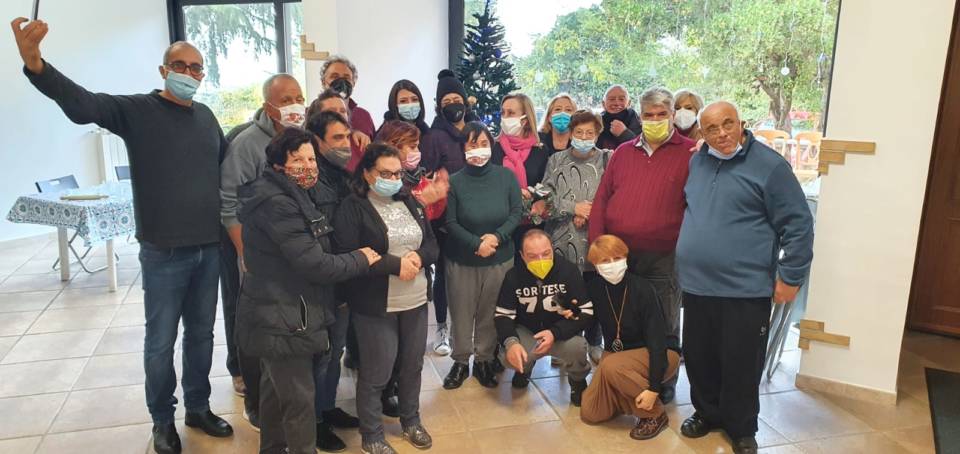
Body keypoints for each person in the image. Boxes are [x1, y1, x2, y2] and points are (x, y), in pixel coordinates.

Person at [12, 18, 231, 453]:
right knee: (160, 341)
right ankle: (162, 420)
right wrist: (36, 65)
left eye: (196, 68)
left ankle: (198, 407)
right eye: (180, 66)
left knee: (202, 335)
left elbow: (226, 166)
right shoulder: (137, 111)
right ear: (163, 70)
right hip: (164, 251)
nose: (189, 73)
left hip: (208, 247)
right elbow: (83, 105)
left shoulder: (206, 117)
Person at [676, 101, 814, 454]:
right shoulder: (698, 161)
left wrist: (791, 276)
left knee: (741, 361)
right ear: (702, 133)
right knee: (700, 356)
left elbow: (798, 224)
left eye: (728, 124)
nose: (722, 133)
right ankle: (707, 413)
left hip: (745, 287)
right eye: (712, 128)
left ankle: (741, 427)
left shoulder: (770, 167)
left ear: (741, 123)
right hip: (697, 285)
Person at [235, 128, 379, 454]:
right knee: (299, 401)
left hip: (279, 310)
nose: (308, 166)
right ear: (278, 165)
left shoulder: (293, 194)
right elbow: (315, 263)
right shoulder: (278, 204)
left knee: (274, 393)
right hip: (285, 315)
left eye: (311, 159)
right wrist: (360, 259)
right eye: (297, 160)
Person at [589, 87, 695, 403]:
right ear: (641, 116)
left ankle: (664, 379)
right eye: (649, 115)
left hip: (664, 255)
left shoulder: (690, 153)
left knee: (664, 318)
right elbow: (602, 198)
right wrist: (597, 244)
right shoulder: (623, 152)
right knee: (621, 316)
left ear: (672, 115)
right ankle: (625, 374)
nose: (655, 120)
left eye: (662, 114)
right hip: (619, 254)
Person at [333, 143, 439, 454]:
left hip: (415, 300)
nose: (393, 179)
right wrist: (395, 265)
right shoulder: (353, 207)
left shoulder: (410, 201)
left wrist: (419, 258)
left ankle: (411, 421)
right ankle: (372, 436)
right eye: (385, 173)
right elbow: (350, 254)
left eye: (397, 173)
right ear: (367, 173)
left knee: (412, 366)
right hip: (376, 304)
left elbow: (432, 243)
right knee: (377, 372)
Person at [220, 73, 305, 429]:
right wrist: (246, 254)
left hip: (291, 251)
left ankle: (285, 395)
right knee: (256, 323)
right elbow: (228, 203)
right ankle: (254, 398)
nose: (295, 106)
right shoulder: (247, 144)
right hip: (256, 251)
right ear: (269, 106)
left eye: (299, 98)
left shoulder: (302, 139)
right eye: (286, 101)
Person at [442, 122, 523, 389]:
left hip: (500, 257)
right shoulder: (454, 182)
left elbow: (516, 213)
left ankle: (484, 360)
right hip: (463, 258)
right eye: (472, 144)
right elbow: (450, 222)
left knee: (490, 311)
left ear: (492, 145)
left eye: (484, 143)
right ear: (463, 148)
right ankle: (460, 361)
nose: (479, 149)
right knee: (462, 311)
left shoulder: (506, 177)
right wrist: (476, 243)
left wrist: (497, 237)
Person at [578, 235, 681, 441]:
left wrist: (654, 389)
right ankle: (629, 395)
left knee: (610, 365)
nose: (612, 265)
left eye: (617, 258)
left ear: (625, 258)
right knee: (591, 412)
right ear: (595, 266)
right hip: (618, 357)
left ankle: (655, 414)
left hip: (660, 354)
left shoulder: (643, 289)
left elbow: (657, 342)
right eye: (605, 261)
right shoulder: (595, 288)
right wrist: (571, 312)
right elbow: (586, 320)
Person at [534, 110, 612, 364]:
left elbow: (615, 195)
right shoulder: (556, 160)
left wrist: (589, 213)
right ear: (571, 133)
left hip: (595, 241)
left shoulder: (608, 159)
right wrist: (573, 208)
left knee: (595, 294)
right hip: (562, 240)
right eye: (579, 132)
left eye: (590, 133)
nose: (584, 137)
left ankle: (594, 342)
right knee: (564, 294)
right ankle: (564, 342)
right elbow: (544, 199)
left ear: (598, 134)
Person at [377, 121, 452, 357]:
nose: (416, 152)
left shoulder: (420, 178)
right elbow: (385, 221)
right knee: (385, 350)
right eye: (410, 146)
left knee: (411, 350)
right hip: (385, 276)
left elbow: (430, 225)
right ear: (391, 146)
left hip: (416, 271)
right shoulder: (379, 183)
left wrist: (438, 197)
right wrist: (421, 201)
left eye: (417, 146)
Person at [495, 230, 594, 404]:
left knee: (578, 348)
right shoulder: (513, 276)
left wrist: (555, 332)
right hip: (528, 332)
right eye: (532, 256)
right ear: (522, 256)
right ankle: (524, 368)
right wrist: (511, 343)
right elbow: (503, 315)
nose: (540, 260)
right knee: (507, 355)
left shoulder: (569, 271)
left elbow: (586, 312)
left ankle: (577, 380)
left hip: (561, 333)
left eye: (546, 254)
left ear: (552, 249)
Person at [421, 69, 474, 357]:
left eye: (457, 99)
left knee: (469, 274)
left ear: (465, 101)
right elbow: (425, 175)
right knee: (443, 273)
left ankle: (466, 330)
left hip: (475, 215)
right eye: (446, 101)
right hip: (444, 219)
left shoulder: (476, 130)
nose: (453, 104)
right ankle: (442, 327)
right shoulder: (434, 137)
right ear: (439, 106)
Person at [321, 55, 374, 171]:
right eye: (334, 76)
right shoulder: (311, 114)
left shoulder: (364, 116)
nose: (341, 81)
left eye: (347, 77)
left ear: (353, 83)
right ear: (324, 82)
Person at [597, 85, 642, 150]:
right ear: (603, 104)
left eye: (621, 99)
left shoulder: (636, 120)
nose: (617, 103)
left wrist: (624, 133)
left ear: (629, 103)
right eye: (612, 99)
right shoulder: (597, 121)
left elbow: (643, 149)